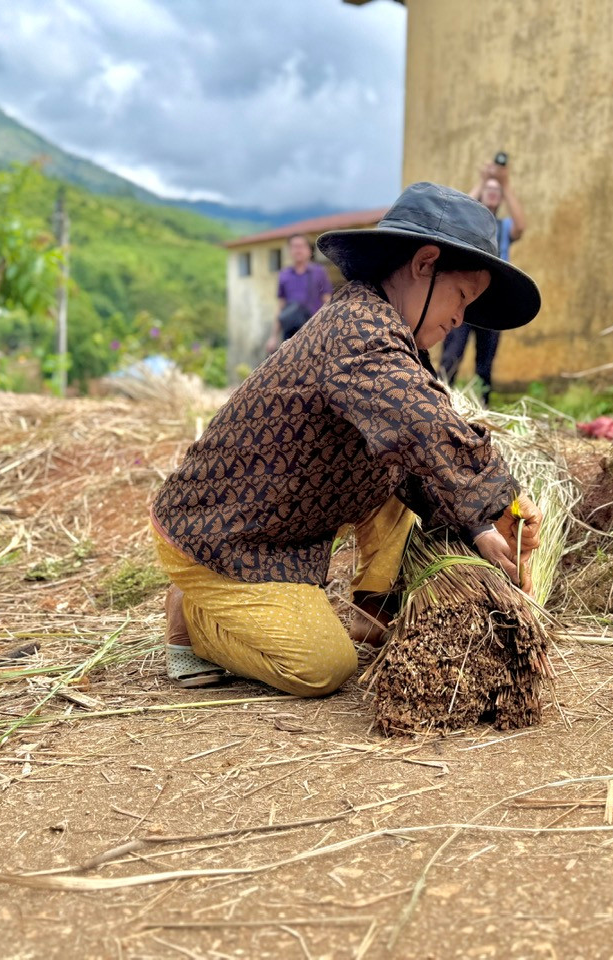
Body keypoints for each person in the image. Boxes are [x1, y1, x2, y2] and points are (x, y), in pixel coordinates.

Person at [150, 182, 544, 696]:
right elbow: (426, 426)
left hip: (282, 521)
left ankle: (369, 608)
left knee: (404, 469)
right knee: (323, 668)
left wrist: (480, 529)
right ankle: (196, 614)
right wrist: (503, 502)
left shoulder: (394, 342)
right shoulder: (359, 332)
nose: (459, 318)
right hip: (221, 535)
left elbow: (418, 454)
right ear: (424, 264)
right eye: (461, 296)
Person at [439, 158, 527, 403]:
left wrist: (505, 184)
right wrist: (482, 180)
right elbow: (456, 212)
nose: (492, 193)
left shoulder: (503, 227)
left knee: (485, 362)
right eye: (488, 190)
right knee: (451, 355)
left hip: (494, 301)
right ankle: (440, 403)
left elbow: (521, 226)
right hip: (464, 301)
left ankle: (483, 408)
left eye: (496, 191)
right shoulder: (469, 224)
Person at [265, 233, 333, 354]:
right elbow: (281, 306)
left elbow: (328, 302)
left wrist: (328, 330)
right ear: (289, 250)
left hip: (315, 331)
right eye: (294, 246)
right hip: (290, 333)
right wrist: (273, 336)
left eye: (301, 246)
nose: (298, 250)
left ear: (308, 250)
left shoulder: (319, 272)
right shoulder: (284, 275)